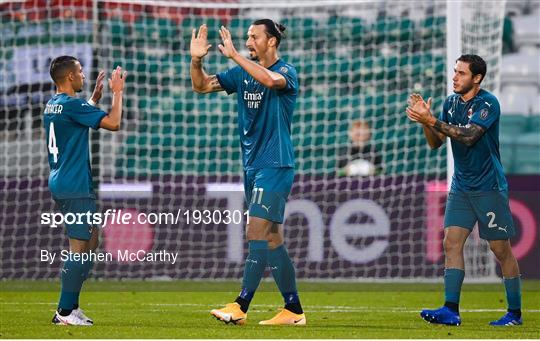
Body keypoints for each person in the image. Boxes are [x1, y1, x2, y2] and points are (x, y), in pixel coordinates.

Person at [190, 20, 305, 326]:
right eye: (247, 37)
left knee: (255, 232)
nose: (249, 41)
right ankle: (293, 310)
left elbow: (270, 81)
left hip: (275, 163)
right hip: (252, 165)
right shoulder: (241, 73)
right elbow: (201, 86)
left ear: (272, 42)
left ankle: (241, 305)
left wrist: (236, 57)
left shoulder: (287, 71)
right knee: (271, 239)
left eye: (254, 37)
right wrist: (196, 59)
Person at [406, 54, 522, 327]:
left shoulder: (488, 103)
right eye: (454, 71)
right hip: (461, 186)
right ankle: (450, 310)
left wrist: (432, 121)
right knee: (451, 243)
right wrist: (426, 121)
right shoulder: (451, 103)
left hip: (488, 186)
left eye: (461, 73)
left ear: (477, 78)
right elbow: (436, 143)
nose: (454, 77)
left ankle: (514, 313)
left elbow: (469, 136)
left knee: (499, 249)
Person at [44, 56, 126, 325]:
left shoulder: (54, 104)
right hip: (74, 183)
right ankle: (65, 312)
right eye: (79, 71)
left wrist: (93, 101)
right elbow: (114, 123)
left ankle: (71, 307)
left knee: (91, 239)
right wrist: (117, 93)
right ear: (69, 77)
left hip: (62, 180)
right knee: (80, 246)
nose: (82, 75)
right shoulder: (72, 105)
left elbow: (73, 122)